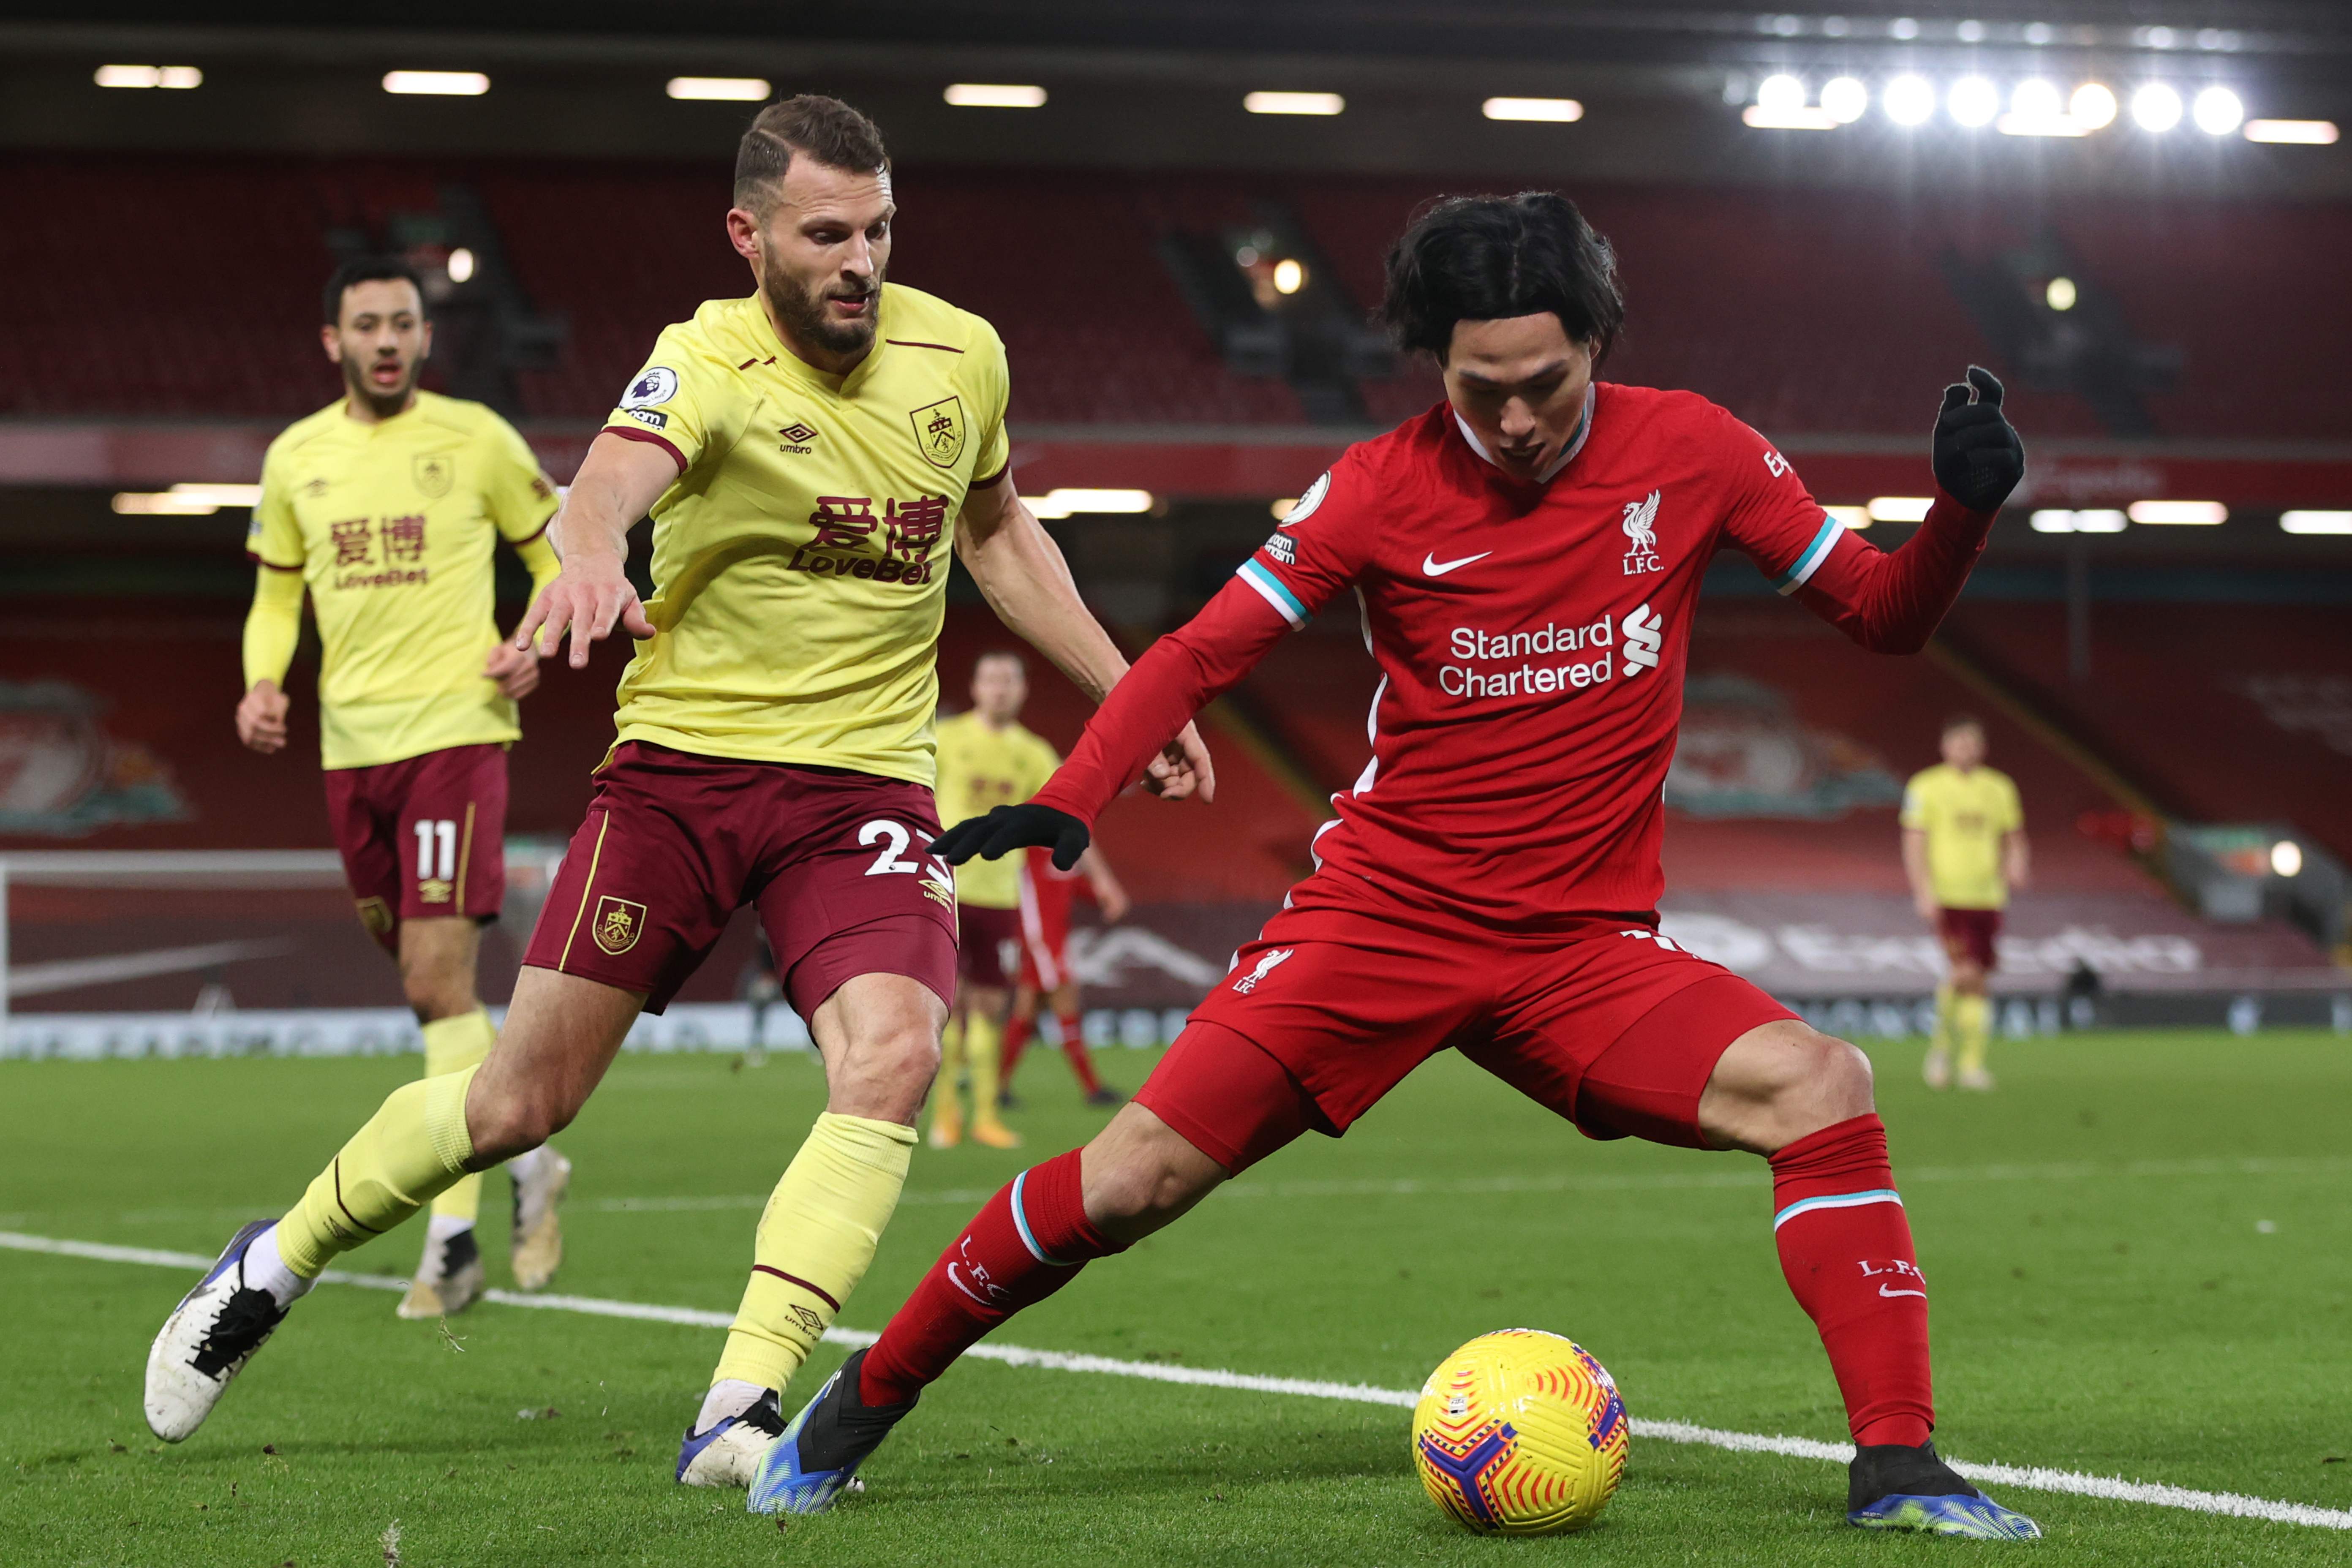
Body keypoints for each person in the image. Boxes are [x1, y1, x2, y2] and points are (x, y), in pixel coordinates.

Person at [753, 192, 2042, 1541]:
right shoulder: (1376, 485)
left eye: (1543, 384)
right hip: (1381, 920)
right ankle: (863, 1397)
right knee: (1129, 1179)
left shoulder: (1697, 451)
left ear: (1595, 343)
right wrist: (1071, 795)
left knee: (1821, 1085)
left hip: (1579, 950)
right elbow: (1196, 654)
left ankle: (1896, 1465)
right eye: (1479, 391)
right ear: (1434, 366)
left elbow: (1886, 617)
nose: (1516, 419)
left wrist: (1957, 513)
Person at [144, 97, 1212, 1494]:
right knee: (518, 1101)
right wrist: (587, 552)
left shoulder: (963, 357)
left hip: (866, 788)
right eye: (823, 234)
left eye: (877, 230)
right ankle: (271, 1263)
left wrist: (1129, 696)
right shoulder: (700, 361)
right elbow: (602, 487)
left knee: (891, 1056)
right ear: (749, 235)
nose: (857, 261)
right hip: (681, 781)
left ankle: (741, 1402)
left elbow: (998, 531)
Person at [234, 256, 573, 1320]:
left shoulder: (475, 439)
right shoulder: (296, 459)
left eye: (403, 324)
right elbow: (276, 597)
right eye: (366, 325)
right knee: (434, 995)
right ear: (331, 342)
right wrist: (259, 683)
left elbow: (561, 555)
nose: (386, 339)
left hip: (455, 734)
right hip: (351, 750)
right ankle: (530, 1164)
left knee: (435, 981)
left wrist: (532, 638)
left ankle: (452, 1239)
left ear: (428, 338)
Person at [928, 651, 1061, 1149]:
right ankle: (946, 1116)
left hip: (1003, 893)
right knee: (952, 1003)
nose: (1000, 688)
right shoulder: (947, 737)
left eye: (1009, 680)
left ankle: (985, 1116)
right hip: (946, 887)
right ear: (976, 685)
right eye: (991, 679)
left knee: (989, 1004)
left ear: (1023, 690)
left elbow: (1063, 807)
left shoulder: (1034, 752)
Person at [1902, 716, 2028, 1091]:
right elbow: (1914, 841)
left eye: (1971, 744)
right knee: (1965, 972)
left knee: (1980, 979)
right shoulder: (1926, 785)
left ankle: (1968, 1063)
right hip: (1948, 896)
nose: (1964, 750)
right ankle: (1945, 1053)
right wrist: (1922, 890)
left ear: (1982, 748)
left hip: (1989, 896)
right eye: (1958, 743)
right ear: (1945, 747)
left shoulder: (1999, 787)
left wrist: (2019, 862)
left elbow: (2014, 835)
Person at [1002, 841, 1132, 1107]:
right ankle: (1093, 1089)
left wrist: (1103, 898)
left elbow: (1073, 886)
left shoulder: (1061, 853)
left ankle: (997, 1087)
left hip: (1055, 941)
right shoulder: (1031, 848)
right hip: (1040, 941)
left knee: (1026, 1013)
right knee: (1062, 1006)